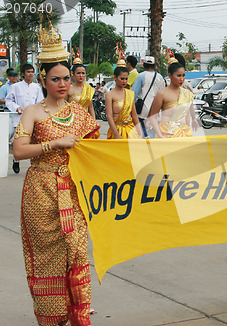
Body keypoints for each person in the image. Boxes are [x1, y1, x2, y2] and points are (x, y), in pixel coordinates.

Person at [12, 20, 99, 325]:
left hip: (73, 191)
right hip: (40, 192)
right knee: (47, 260)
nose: (63, 84)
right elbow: (19, 151)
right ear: (43, 80)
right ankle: (52, 319)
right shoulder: (32, 112)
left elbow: (97, 154)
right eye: (55, 79)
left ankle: (78, 314)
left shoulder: (79, 114)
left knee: (76, 250)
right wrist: (54, 143)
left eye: (66, 78)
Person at [5, 63, 44, 173]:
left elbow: (40, 102)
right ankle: (16, 160)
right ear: (23, 74)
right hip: (19, 118)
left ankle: (34, 163)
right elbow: (9, 100)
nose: (30, 74)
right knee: (18, 140)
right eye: (28, 72)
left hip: (33, 119)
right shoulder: (15, 87)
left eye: (32, 71)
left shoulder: (37, 87)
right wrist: (17, 108)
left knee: (33, 140)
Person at [148, 55, 198, 138]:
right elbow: (153, 116)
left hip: (184, 133)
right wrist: (159, 134)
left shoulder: (186, 93)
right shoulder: (162, 94)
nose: (182, 79)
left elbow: (190, 108)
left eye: (183, 75)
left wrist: (194, 119)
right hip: (166, 133)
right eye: (178, 76)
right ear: (170, 76)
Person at [132, 56, 165, 137]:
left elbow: (134, 94)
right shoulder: (160, 77)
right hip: (156, 111)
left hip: (143, 110)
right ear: (154, 65)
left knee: (143, 134)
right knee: (154, 133)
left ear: (144, 65)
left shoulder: (141, 76)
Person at [105, 66, 141, 139]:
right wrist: (116, 134)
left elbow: (134, 115)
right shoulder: (109, 95)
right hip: (117, 130)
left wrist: (140, 132)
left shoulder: (130, 94)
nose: (124, 81)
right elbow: (109, 116)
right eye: (122, 79)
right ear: (115, 77)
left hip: (131, 130)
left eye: (126, 79)